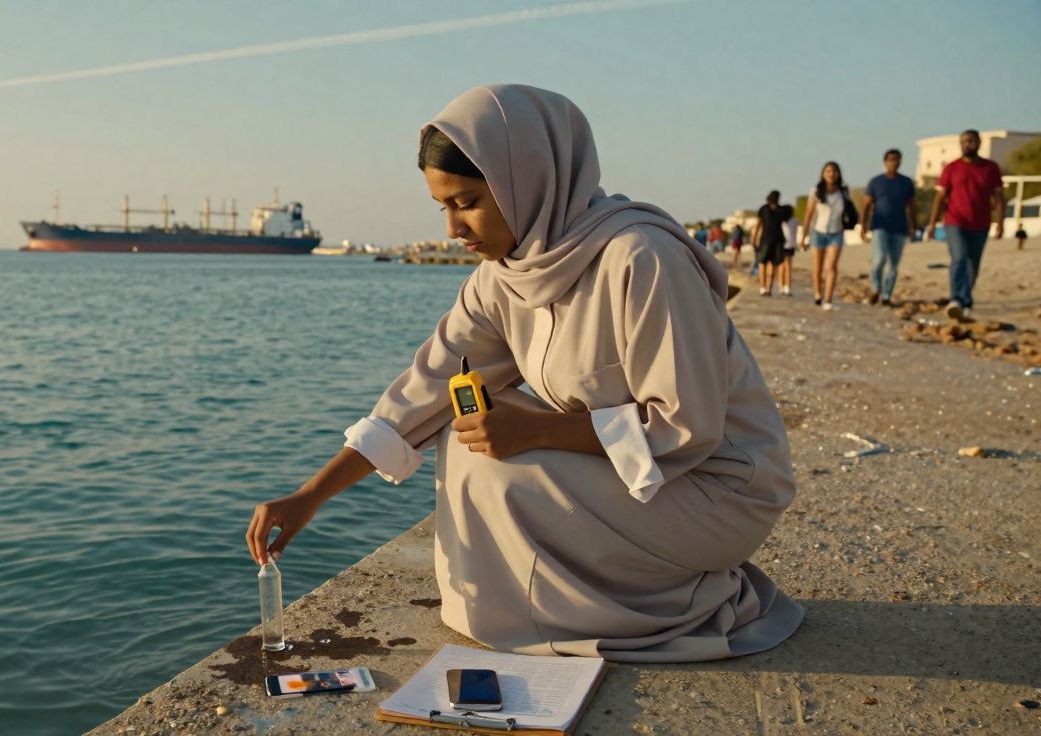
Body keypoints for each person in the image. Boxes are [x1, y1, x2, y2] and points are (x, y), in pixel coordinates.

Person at [245, 85, 802, 662]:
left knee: (502, 472)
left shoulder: (640, 258)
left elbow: (687, 424)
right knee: (461, 435)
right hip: (640, 477)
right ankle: (573, 604)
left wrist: (536, 431)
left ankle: (669, 603)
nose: (453, 230)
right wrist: (310, 495)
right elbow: (426, 391)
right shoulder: (506, 277)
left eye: (467, 202)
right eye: (444, 207)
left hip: (718, 488)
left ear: (527, 180)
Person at [925, 130, 1005, 320]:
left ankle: (966, 301)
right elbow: (940, 197)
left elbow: (1000, 198)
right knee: (959, 257)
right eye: (964, 141)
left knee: (973, 264)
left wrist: (1000, 223)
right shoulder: (951, 168)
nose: (967, 144)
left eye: (971, 141)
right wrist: (932, 223)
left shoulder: (991, 168)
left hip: (981, 223)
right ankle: (957, 299)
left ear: (979, 143)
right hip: (955, 221)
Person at [861, 149, 918, 306]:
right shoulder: (876, 182)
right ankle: (875, 288)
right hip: (880, 226)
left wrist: (914, 227)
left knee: (893, 264)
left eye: (897, 159)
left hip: (900, 228)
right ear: (885, 161)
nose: (894, 162)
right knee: (879, 259)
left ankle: (886, 295)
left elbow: (912, 206)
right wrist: (863, 226)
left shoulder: (906, 183)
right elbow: (866, 205)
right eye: (891, 159)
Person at [800, 161, 851, 310]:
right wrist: (804, 237)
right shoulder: (816, 191)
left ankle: (828, 300)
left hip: (837, 232)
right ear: (823, 173)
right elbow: (809, 215)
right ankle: (818, 295)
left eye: (834, 171)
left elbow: (848, 210)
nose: (831, 173)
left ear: (838, 173)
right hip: (818, 232)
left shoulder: (843, 191)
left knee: (831, 267)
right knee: (817, 269)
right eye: (828, 171)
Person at [752, 191, 788, 295]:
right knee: (769, 264)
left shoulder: (766, 209)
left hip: (769, 240)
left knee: (765, 264)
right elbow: (759, 224)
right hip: (773, 240)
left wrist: (754, 239)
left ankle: (765, 288)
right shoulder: (777, 210)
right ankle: (766, 288)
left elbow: (758, 225)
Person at [779, 204, 798, 296]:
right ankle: (788, 287)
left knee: (781, 267)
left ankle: (781, 286)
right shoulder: (794, 221)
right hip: (790, 245)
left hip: (781, 245)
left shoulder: (781, 221)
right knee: (789, 267)